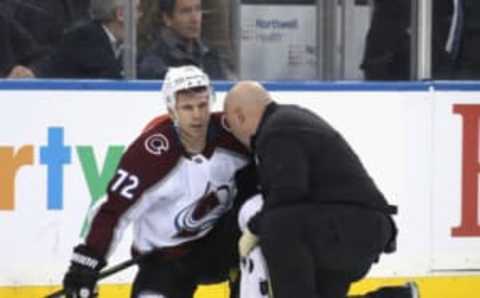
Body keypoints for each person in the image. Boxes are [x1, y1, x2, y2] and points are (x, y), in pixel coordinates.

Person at [60, 65, 251, 298]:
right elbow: (113, 212)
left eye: (202, 105)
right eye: (187, 107)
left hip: (219, 246)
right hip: (165, 260)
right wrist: (86, 262)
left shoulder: (231, 134)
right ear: (172, 110)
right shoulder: (149, 156)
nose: (198, 115)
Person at [223, 81, 420, 298]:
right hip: (345, 228)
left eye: (230, 124)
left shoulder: (277, 130)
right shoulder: (284, 122)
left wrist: (252, 229)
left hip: (354, 228)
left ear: (239, 116)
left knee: (277, 223)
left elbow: (287, 194)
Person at [9, 0, 142, 79]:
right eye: (137, 10)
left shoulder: (115, 43)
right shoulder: (88, 37)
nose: (140, 16)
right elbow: (111, 77)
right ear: (121, 14)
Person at [137, 0, 230, 80]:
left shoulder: (210, 55)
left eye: (198, 9)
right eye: (186, 11)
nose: (195, 19)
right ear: (167, 18)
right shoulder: (154, 60)